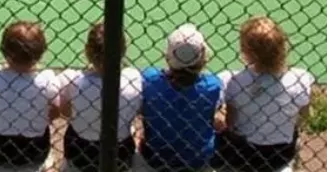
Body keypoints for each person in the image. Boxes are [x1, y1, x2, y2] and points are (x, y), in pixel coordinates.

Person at [214, 18, 313, 172]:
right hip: (281, 154)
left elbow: (231, 122)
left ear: (246, 52)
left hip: (243, 153)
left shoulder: (233, 81)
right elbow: (305, 114)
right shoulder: (300, 79)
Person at [0, 21, 61, 171]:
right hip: (33, 150)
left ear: (3, 50)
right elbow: (55, 111)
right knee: (46, 124)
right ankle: (46, 165)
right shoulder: (48, 80)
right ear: (42, 52)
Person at [55, 22, 142, 172]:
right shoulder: (134, 78)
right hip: (120, 154)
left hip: (80, 154)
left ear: (87, 51)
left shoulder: (72, 81)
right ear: (123, 51)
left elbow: (64, 112)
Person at [138, 25, 224, 172]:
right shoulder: (212, 85)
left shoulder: (149, 78)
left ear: (167, 56)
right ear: (203, 57)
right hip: (197, 161)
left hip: (155, 158)